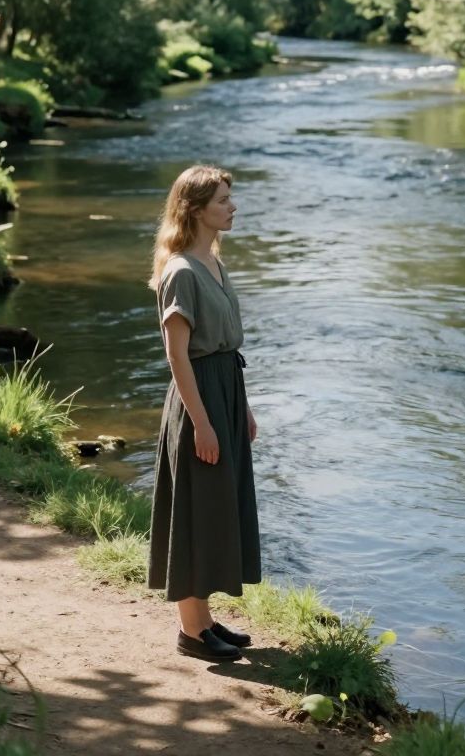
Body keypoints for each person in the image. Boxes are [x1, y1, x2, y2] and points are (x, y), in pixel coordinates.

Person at [147, 164, 261, 663]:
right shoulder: (180, 272)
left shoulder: (213, 261)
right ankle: (192, 632)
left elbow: (226, 349)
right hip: (200, 401)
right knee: (196, 510)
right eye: (222, 200)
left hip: (224, 393)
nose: (232, 207)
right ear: (195, 210)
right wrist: (202, 422)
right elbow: (177, 355)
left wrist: (245, 409)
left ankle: (206, 621)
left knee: (217, 507)